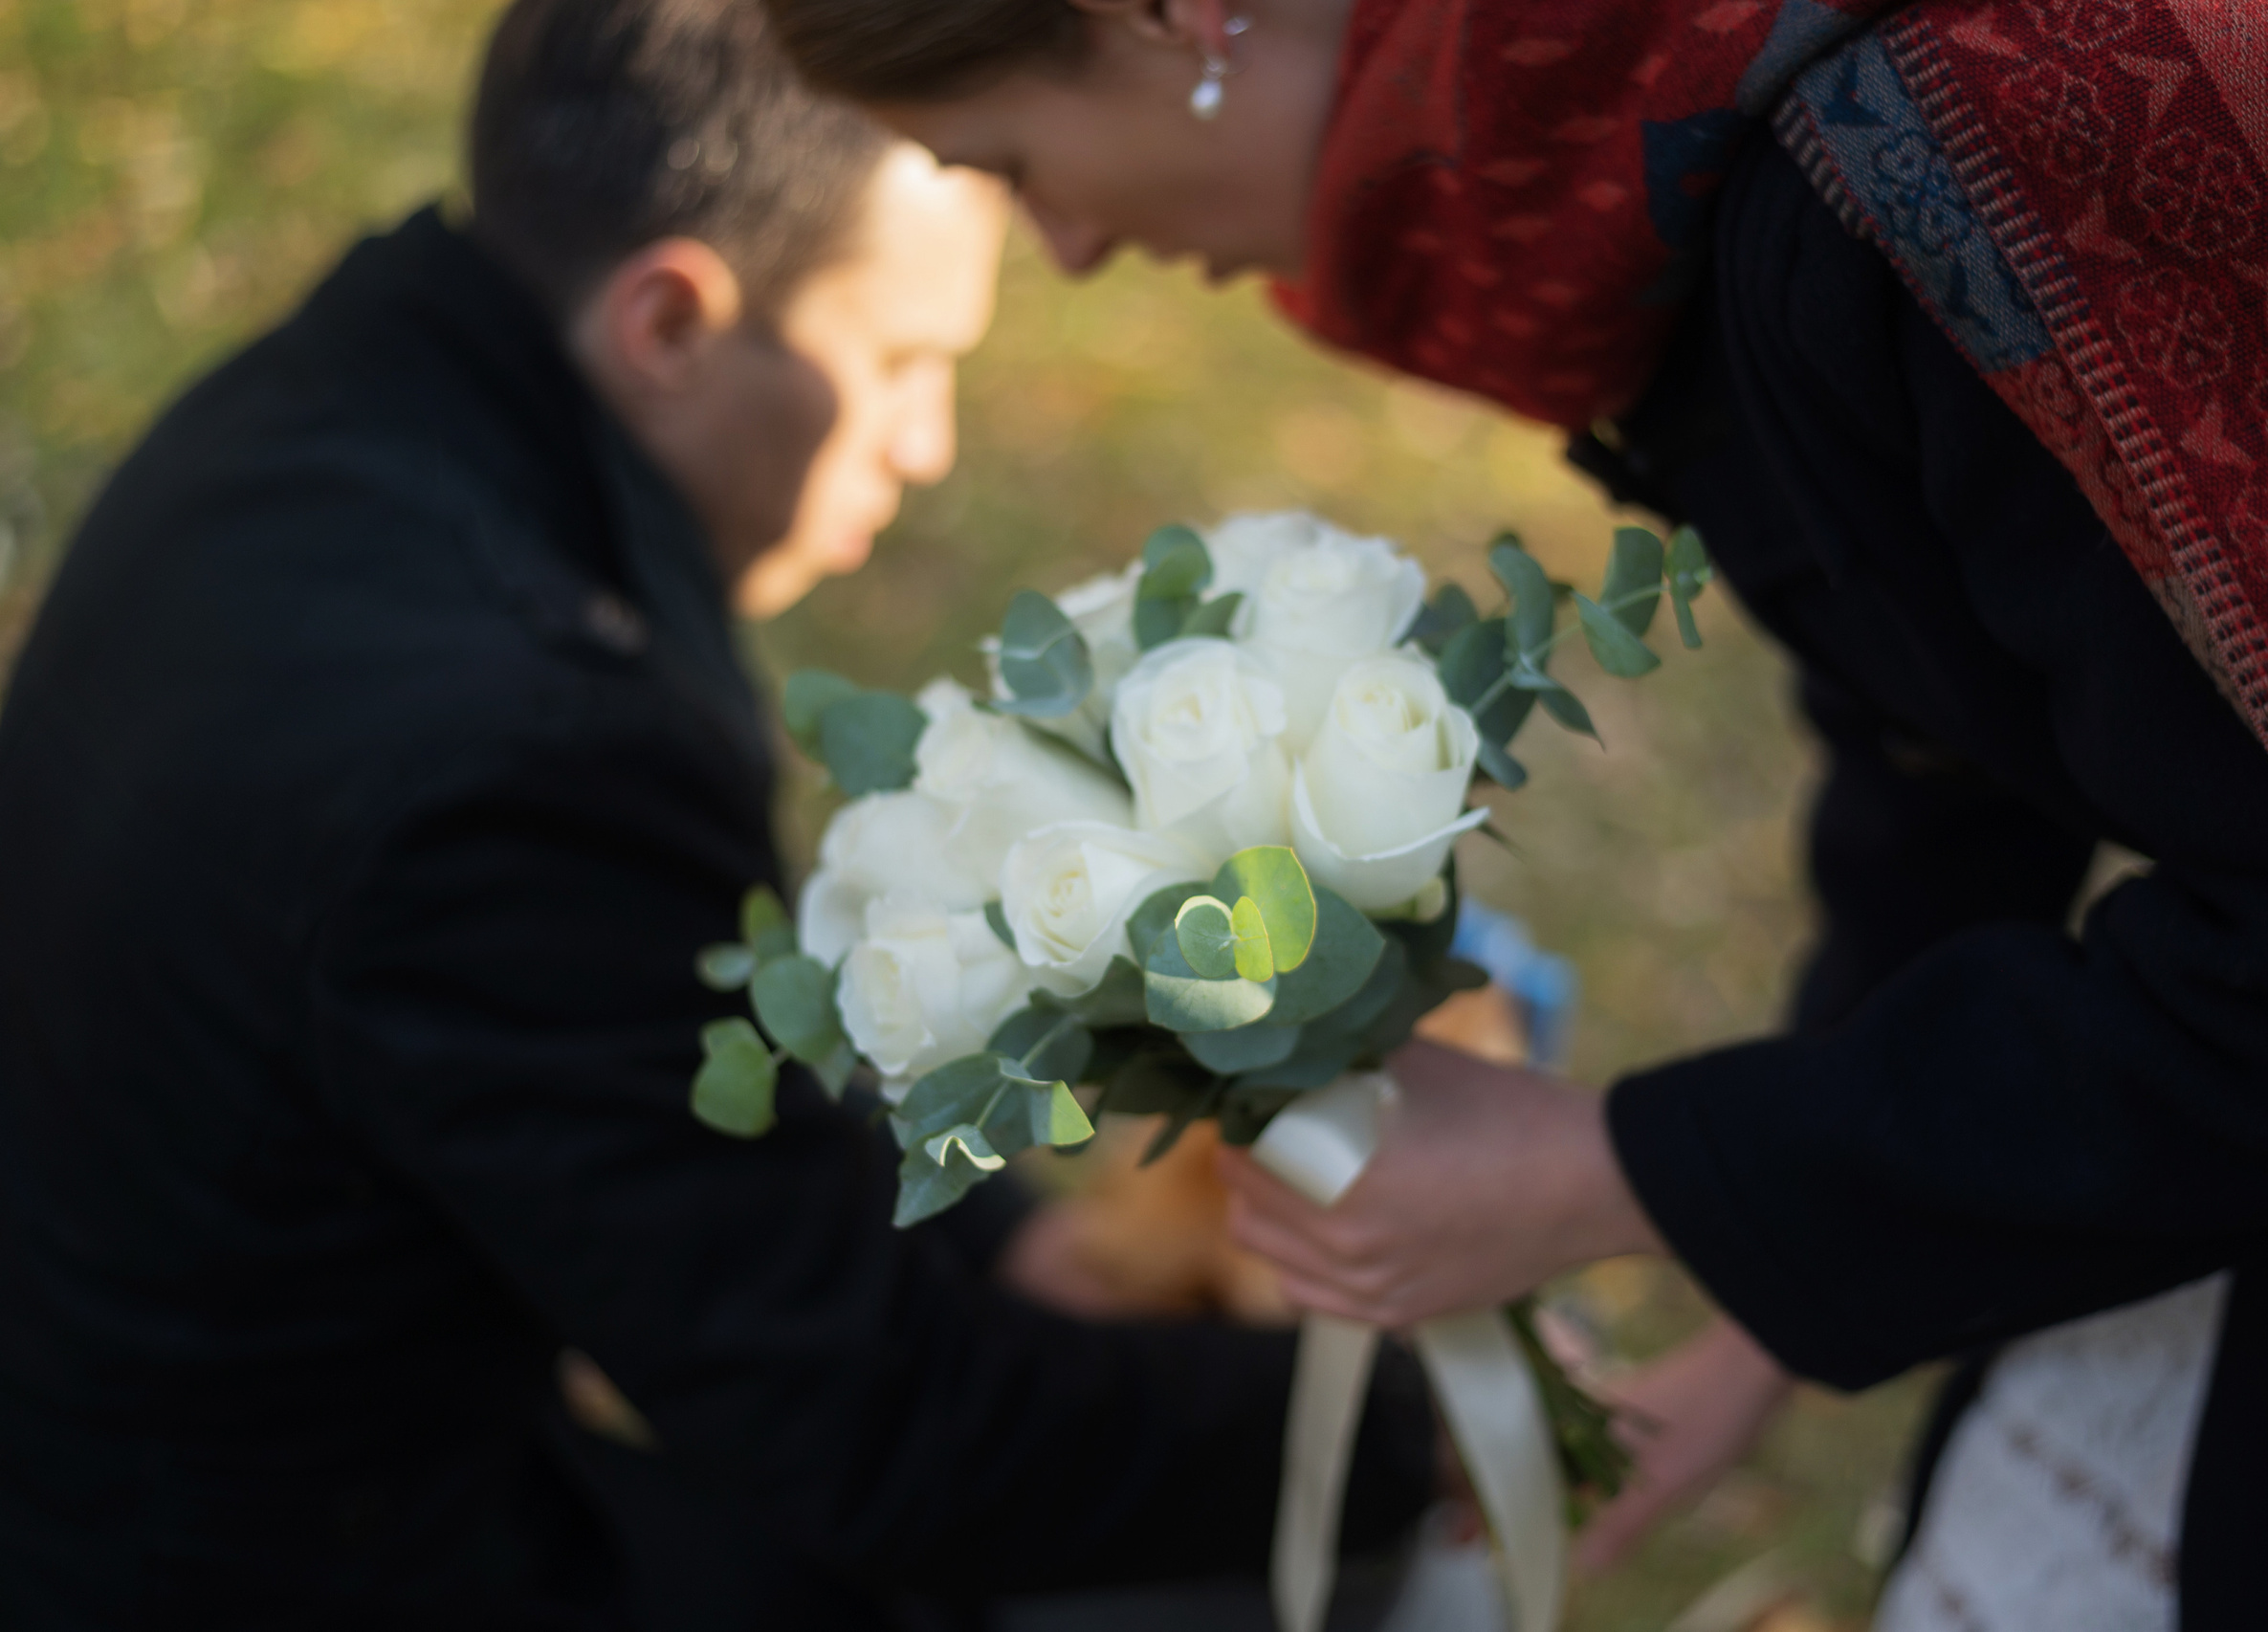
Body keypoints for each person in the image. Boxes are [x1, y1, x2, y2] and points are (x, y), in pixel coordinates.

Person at [760, 0, 2268, 1623]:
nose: (1063, 247)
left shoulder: (1966, 129)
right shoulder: (1658, 159)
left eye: (1005, 163)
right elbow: (1953, 753)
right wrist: (1760, 1310)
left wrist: (1627, 1170)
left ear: (1165, 13)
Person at [0, 0, 1438, 1624]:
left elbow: (640, 1104)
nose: (927, 444)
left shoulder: (315, 417)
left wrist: (997, 1255)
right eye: (897, 361)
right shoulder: (522, 750)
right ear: (671, 320)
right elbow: (883, 1437)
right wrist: (1396, 1427)